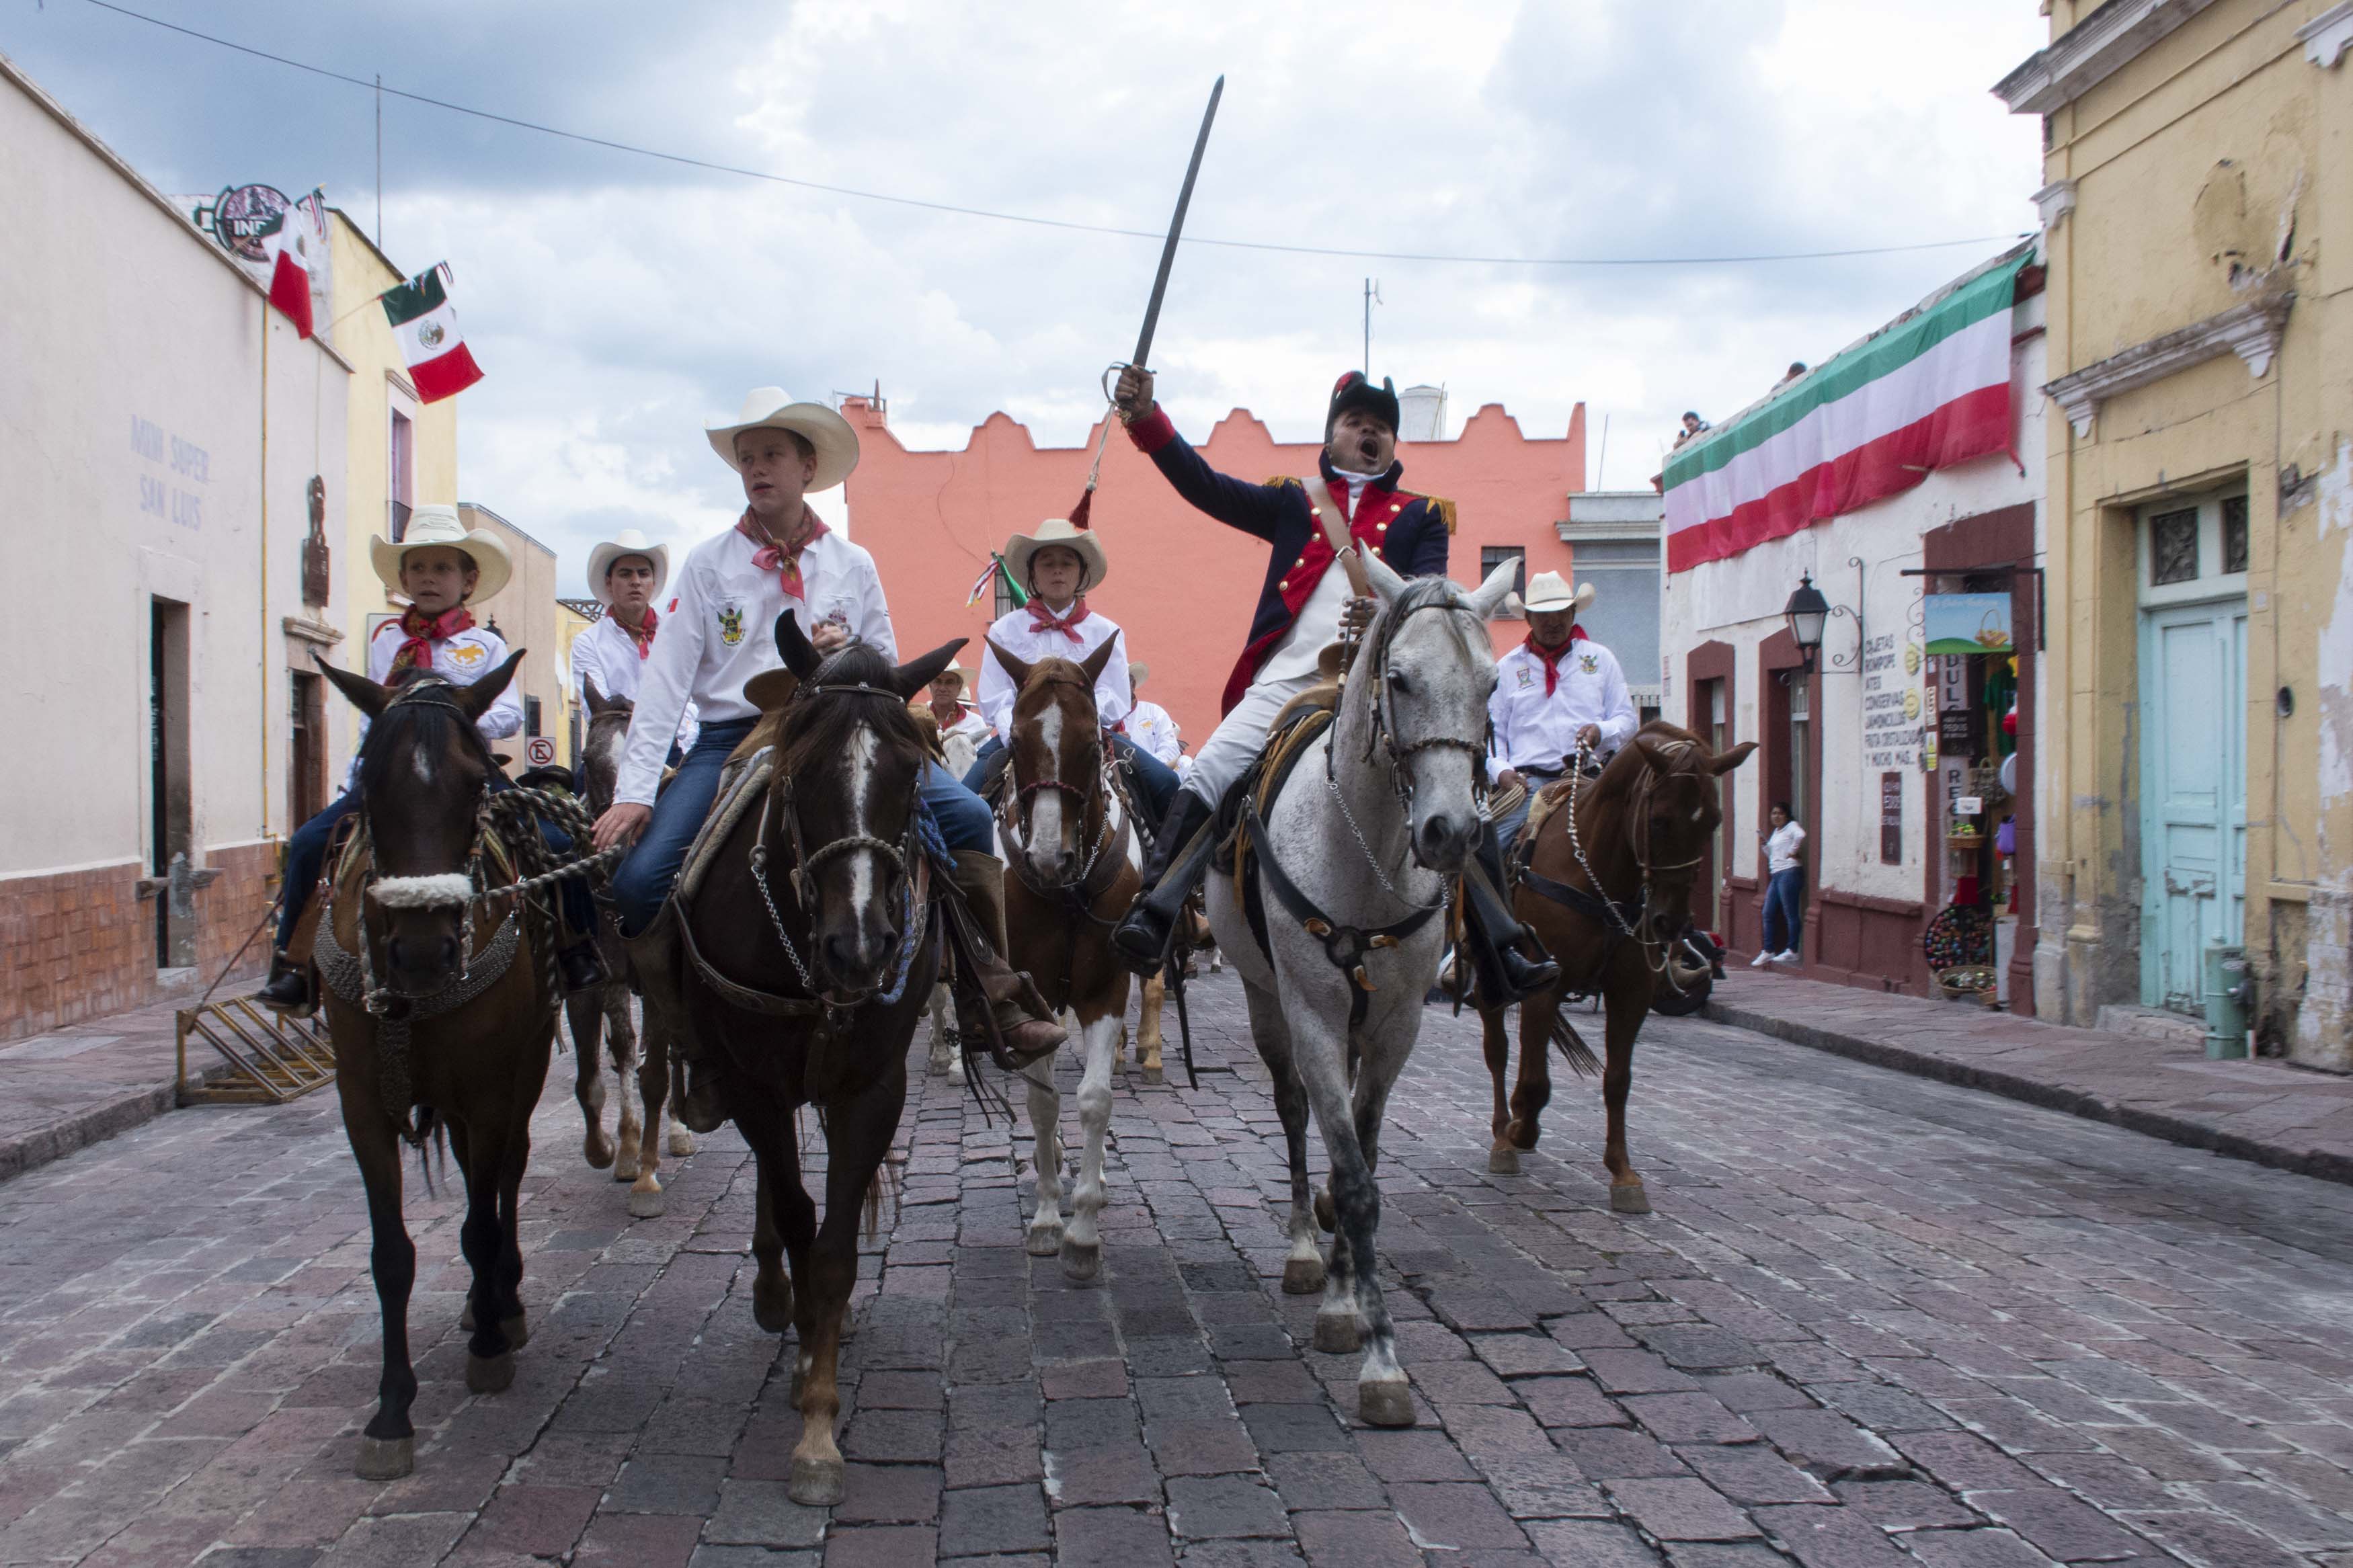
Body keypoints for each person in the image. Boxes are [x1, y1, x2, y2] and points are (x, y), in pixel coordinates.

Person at [590, 388, 1064, 1087]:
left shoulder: (853, 562)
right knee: (637, 884)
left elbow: (887, 670)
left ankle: (987, 992)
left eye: (772, 455)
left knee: (967, 816)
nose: (758, 468)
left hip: (842, 726)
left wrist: (849, 657)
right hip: (732, 734)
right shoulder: (707, 563)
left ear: (808, 467)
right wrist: (635, 791)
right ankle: (693, 1036)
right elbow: (664, 682)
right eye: (747, 458)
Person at [1101, 366, 1554, 1001]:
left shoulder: (1422, 515)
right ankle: (1158, 909)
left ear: (1393, 444)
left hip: (1383, 686)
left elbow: (1428, 602)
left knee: (1465, 804)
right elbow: (1205, 486)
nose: (1369, 433)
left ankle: (1498, 946)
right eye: (1355, 422)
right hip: (1289, 679)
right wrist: (1148, 418)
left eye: (1381, 427)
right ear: (1331, 434)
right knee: (1211, 770)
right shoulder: (1295, 502)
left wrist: (1386, 615)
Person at [255, 506, 606, 1007]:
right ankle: (292, 964)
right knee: (311, 841)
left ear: (468, 580)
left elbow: (509, 714)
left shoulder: (485, 645)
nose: (429, 578)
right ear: (403, 580)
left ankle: (576, 948)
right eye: (418, 568)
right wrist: (364, 771)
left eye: (442, 568)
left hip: (465, 772)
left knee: (555, 842)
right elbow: (372, 715)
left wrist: (453, 726)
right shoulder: (387, 641)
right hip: (396, 774)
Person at [962, 518, 1181, 825]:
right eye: (1047, 563)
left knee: (1167, 784)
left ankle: (1162, 856)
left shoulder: (1106, 631)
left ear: (1081, 572)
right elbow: (996, 697)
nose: (1058, 571)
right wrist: (1021, 736)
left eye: (1067, 563)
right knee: (963, 804)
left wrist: (1078, 726)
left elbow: (1113, 693)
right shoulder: (1004, 630)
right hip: (1020, 736)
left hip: (1089, 736)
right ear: (1033, 572)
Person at [569, 528, 697, 760]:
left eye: (643, 574)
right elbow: (598, 709)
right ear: (609, 583)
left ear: (653, 582)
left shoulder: (676, 635)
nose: (636, 582)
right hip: (614, 748)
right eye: (626, 574)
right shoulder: (588, 642)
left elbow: (690, 698)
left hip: (671, 745)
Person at [1755, 800, 1806, 965]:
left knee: (1790, 913)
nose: (1776, 816)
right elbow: (1773, 856)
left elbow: (1801, 835)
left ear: (1787, 815)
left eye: (1780, 813)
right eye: (1774, 813)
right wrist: (1765, 846)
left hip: (1789, 872)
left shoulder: (1791, 826)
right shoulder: (1776, 832)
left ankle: (1792, 950)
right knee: (1767, 912)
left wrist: (1793, 851)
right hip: (1776, 874)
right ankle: (1768, 950)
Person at [922, 661, 990, 778]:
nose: (942, 688)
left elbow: (985, 760)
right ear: (930, 686)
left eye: (949, 682)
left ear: (959, 688)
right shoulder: (918, 718)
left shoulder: (976, 722)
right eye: (938, 681)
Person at [1121, 663, 1182, 770]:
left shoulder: (1154, 712)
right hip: (1114, 774)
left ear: (1133, 684)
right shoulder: (1102, 718)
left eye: (1122, 681)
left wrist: (1141, 762)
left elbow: (1171, 751)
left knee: (1186, 762)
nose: (1118, 687)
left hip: (1154, 773)